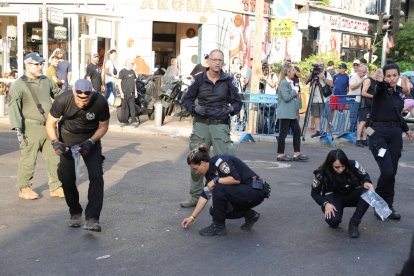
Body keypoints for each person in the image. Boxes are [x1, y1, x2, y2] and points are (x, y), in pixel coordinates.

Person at [180, 49, 242, 208]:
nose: (217, 63)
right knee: (196, 160)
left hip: (220, 124)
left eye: (220, 60)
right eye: (214, 60)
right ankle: (195, 196)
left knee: (225, 162)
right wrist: (194, 109)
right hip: (201, 124)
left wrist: (230, 109)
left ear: (223, 62)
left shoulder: (229, 80)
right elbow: (185, 100)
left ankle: (227, 200)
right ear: (208, 61)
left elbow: (238, 102)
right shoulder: (198, 79)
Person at [45, 79, 110, 232]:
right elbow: (50, 123)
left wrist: (91, 141)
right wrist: (55, 141)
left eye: (86, 100)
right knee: (66, 177)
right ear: (73, 93)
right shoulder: (63, 100)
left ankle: (92, 218)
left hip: (90, 139)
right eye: (79, 100)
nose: (82, 104)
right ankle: (75, 212)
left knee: (96, 176)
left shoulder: (100, 102)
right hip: (67, 137)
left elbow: (104, 126)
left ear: (91, 94)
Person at [8, 52, 64, 200]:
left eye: (41, 64)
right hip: (30, 127)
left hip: (48, 127)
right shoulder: (19, 85)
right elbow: (13, 106)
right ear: (27, 64)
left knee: (54, 157)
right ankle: (24, 188)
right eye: (37, 64)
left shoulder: (46, 80)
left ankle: (56, 187)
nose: (40, 67)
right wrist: (18, 128)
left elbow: (58, 94)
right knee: (28, 159)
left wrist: (70, 99)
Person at [181, 145, 267, 236]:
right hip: (244, 193)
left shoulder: (220, 162)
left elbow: (236, 179)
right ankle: (250, 215)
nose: (196, 172)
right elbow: (205, 196)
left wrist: (215, 180)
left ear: (202, 163)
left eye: (195, 168)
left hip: (255, 191)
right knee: (216, 211)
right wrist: (191, 217)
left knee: (218, 189)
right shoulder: (210, 172)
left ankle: (218, 227)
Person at [368, 63, 413, 220]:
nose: (392, 79)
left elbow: (397, 114)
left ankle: (388, 206)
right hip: (377, 134)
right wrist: (380, 81)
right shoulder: (380, 90)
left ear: (398, 76)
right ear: (384, 77)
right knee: (387, 170)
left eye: (394, 75)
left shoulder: (398, 93)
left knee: (391, 173)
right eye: (389, 76)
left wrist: (406, 128)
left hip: (395, 135)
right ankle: (377, 203)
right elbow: (379, 88)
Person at [311, 149, 374, 238]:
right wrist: (325, 203)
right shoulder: (321, 173)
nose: (340, 169)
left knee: (368, 192)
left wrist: (367, 182)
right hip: (334, 197)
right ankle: (334, 213)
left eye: (343, 166)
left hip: (351, 193)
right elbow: (314, 193)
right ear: (330, 164)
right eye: (337, 167)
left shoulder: (353, 164)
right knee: (333, 221)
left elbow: (364, 176)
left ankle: (354, 223)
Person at [276, 65, 308, 162]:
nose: (294, 72)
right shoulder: (284, 83)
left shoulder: (289, 82)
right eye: (292, 70)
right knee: (283, 134)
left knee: (297, 132)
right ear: (287, 72)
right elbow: (286, 98)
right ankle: (280, 154)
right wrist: (294, 91)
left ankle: (297, 154)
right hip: (286, 113)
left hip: (291, 113)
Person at [303, 60, 333, 137]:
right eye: (317, 65)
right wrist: (311, 73)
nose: (318, 67)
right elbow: (305, 81)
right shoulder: (313, 73)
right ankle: (318, 130)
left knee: (325, 115)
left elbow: (332, 84)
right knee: (316, 115)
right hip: (314, 98)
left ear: (323, 66)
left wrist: (323, 78)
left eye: (320, 65)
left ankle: (325, 131)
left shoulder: (326, 73)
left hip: (324, 97)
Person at [356, 68, 383, 147]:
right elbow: (363, 93)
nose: (382, 77)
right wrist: (374, 96)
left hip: (372, 105)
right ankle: (358, 140)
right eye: (381, 75)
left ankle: (364, 139)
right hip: (365, 105)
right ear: (377, 73)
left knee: (369, 123)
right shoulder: (368, 80)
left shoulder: (377, 82)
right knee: (363, 122)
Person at [117, 59, 138, 127]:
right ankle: (124, 122)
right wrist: (121, 93)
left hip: (132, 92)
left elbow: (134, 82)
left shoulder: (132, 71)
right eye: (132, 64)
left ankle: (134, 121)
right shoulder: (122, 72)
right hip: (125, 92)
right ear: (128, 64)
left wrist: (136, 92)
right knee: (124, 107)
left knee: (132, 107)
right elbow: (119, 83)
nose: (132, 65)